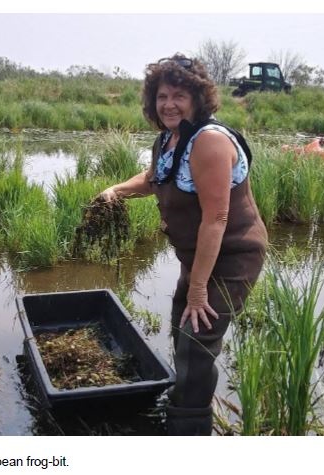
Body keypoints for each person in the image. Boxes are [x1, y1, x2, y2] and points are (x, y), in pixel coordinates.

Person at [100, 54, 267, 435]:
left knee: (196, 336)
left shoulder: (209, 141)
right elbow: (155, 176)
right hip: (199, 255)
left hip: (232, 254)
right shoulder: (169, 138)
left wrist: (197, 290)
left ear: (197, 99)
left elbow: (217, 219)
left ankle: (188, 431)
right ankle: (184, 404)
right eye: (162, 96)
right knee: (180, 327)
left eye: (179, 95)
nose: (169, 104)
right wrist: (116, 191)